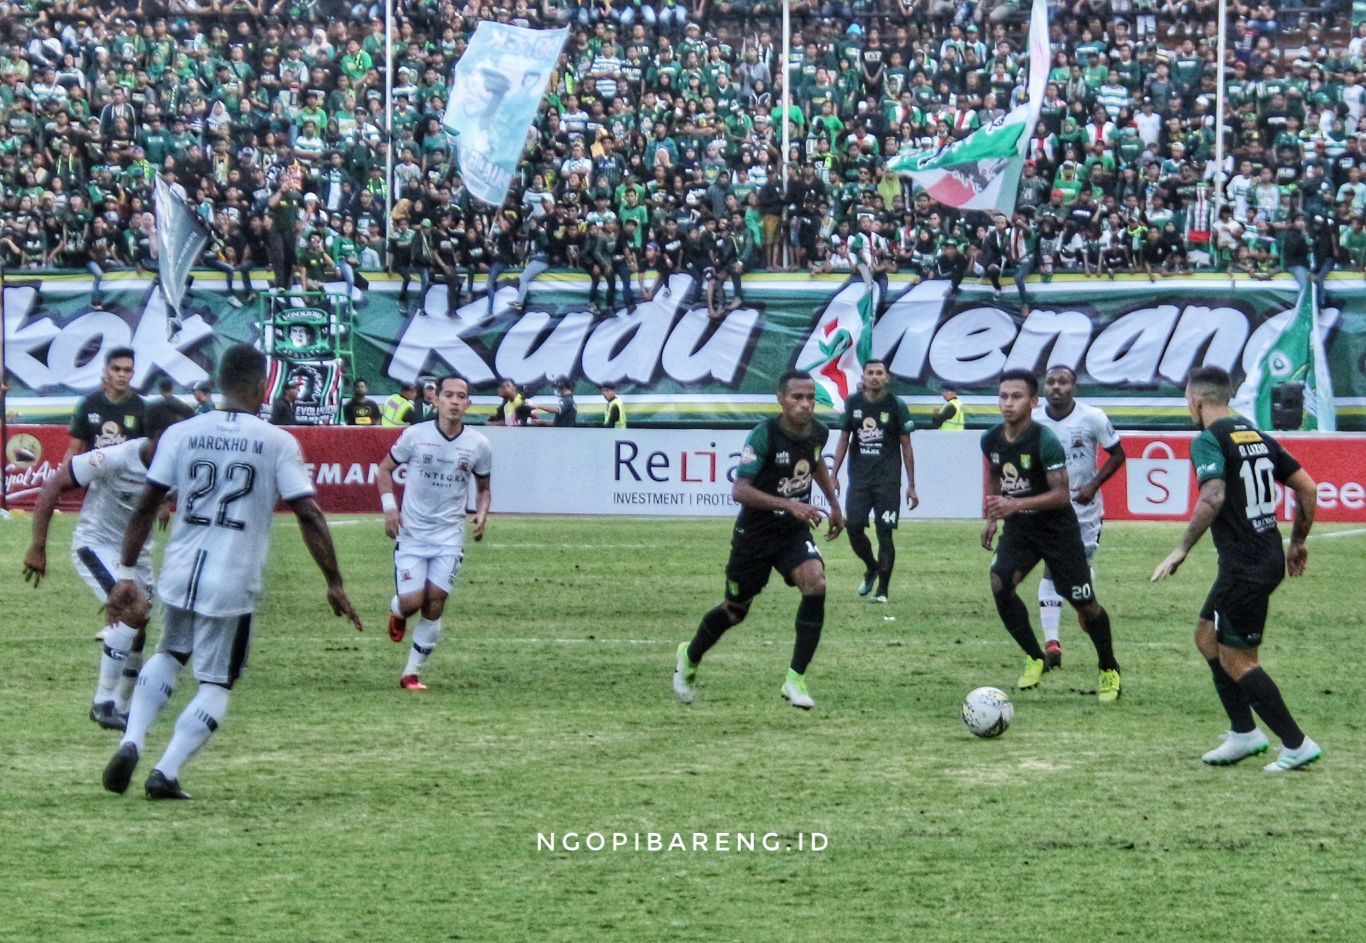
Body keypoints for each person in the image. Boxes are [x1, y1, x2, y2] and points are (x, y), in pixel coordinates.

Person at [102, 343, 361, 800]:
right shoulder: (276, 440)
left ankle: (132, 739)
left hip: (181, 568)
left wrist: (125, 570)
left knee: (170, 652)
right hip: (232, 576)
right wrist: (334, 582)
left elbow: (146, 503)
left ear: (219, 384)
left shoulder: (183, 432)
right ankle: (166, 770)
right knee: (217, 682)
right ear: (261, 385)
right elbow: (309, 514)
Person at [1151, 366, 1322, 772]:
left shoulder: (1209, 441)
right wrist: (1296, 542)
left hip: (1246, 567)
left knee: (1239, 659)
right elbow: (1308, 487)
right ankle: (1244, 734)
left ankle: (1296, 744)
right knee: (1206, 636)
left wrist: (1181, 549)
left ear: (1195, 400)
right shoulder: (1254, 434)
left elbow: (1212, 497)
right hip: (1260, 558)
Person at [673, 370, 844, 710]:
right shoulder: (764, 435)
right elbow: (740, 490)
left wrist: (835, 505)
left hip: (791, 532)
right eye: (797, 397)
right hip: (755, 534)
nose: (805, 404)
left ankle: (795, 679)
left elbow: (816, 464)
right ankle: (689, 656)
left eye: (810, 397)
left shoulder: (819, 432)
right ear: (781, 399)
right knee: (735, 611)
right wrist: (789, 504)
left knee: (816, 583)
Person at [23, 403, 187, 730]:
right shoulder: (115, 457)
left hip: (136, 554)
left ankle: (124, 707)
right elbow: (54, 484)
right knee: (135, 607)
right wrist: (38, 546)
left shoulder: (178, 465)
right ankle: (102, 702)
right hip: (95, 544)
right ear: (158, 436)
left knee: (139, 626)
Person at [981, 369, 1122, 701]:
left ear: (1032, 402)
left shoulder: (1045, 440)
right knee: (1000, 583)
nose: (1008, 403)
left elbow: (1061, 495)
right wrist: (991, 517)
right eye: (1003, 396)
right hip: (1020, 530)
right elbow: (994, 473)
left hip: (1057, 530)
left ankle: (1108, 666)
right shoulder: (991, 439)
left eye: (1016, 397)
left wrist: (1015, 505)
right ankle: (1035, 656)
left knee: (1084, 604)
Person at [377, 376, 492, 691]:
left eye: (462, 396)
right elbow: (384, 469)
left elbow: (484, 489)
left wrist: (481, 515)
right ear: (436, 400)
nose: (455, 401)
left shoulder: (479, 445)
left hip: (449, 535)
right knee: (413, 601)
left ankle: (411, 673)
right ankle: (398, 610)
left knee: (435, 602)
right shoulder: (415, 436)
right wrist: (390, 509)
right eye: (449, 395)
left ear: (468, 404)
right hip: (412, 533)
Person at [1031, 365, 1126, 668]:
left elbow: (1118, 454)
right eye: (1051, 382)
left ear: (1074, 386)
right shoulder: (1033, 420)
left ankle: (1087, 607)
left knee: (1075, 573)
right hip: (1046, 509)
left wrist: (1093, 484)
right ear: (1044, 387)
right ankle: (1052, 642)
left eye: (1063, 382)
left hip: (1083, 511)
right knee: (1051, 568)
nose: (1056, 387)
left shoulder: (1092, 417)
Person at [830, 359, 919, 604]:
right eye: (871, 372)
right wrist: (833, 474)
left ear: (887, 378)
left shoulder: (896, 405)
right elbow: (843, 439)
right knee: (854, 527)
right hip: (859, 480)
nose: (875, 377)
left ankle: (882, 591)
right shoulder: (853, 403)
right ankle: (871, 567)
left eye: (880, 373)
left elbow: (906, 445)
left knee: (885, 534)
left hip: (888, 482)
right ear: (864, 377)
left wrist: (911, 484)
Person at [66, 346, 145, 461]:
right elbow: (73, 450)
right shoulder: (88, 404)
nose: (122, 374)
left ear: (132, 374)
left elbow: (148, 452)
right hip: (95, 473)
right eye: (116, 369)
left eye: (127, 370)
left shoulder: (141, 407)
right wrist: (64, 476)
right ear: (106, 371)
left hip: (128, 476)